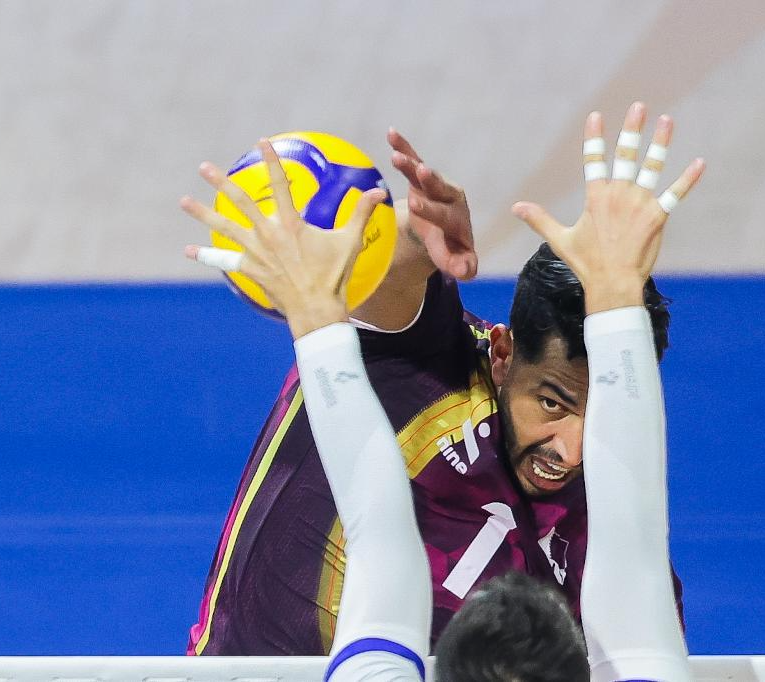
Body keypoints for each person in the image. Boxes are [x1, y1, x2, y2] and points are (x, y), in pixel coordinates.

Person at [185, 105, 701, 681]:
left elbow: (378, 528)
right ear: (502, 355)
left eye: (598, 414)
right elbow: (639, 615)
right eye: (552, 403)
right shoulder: (433, 362)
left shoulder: (590, 520)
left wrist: (315, 312)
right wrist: (412, 238)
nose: (572, 449)